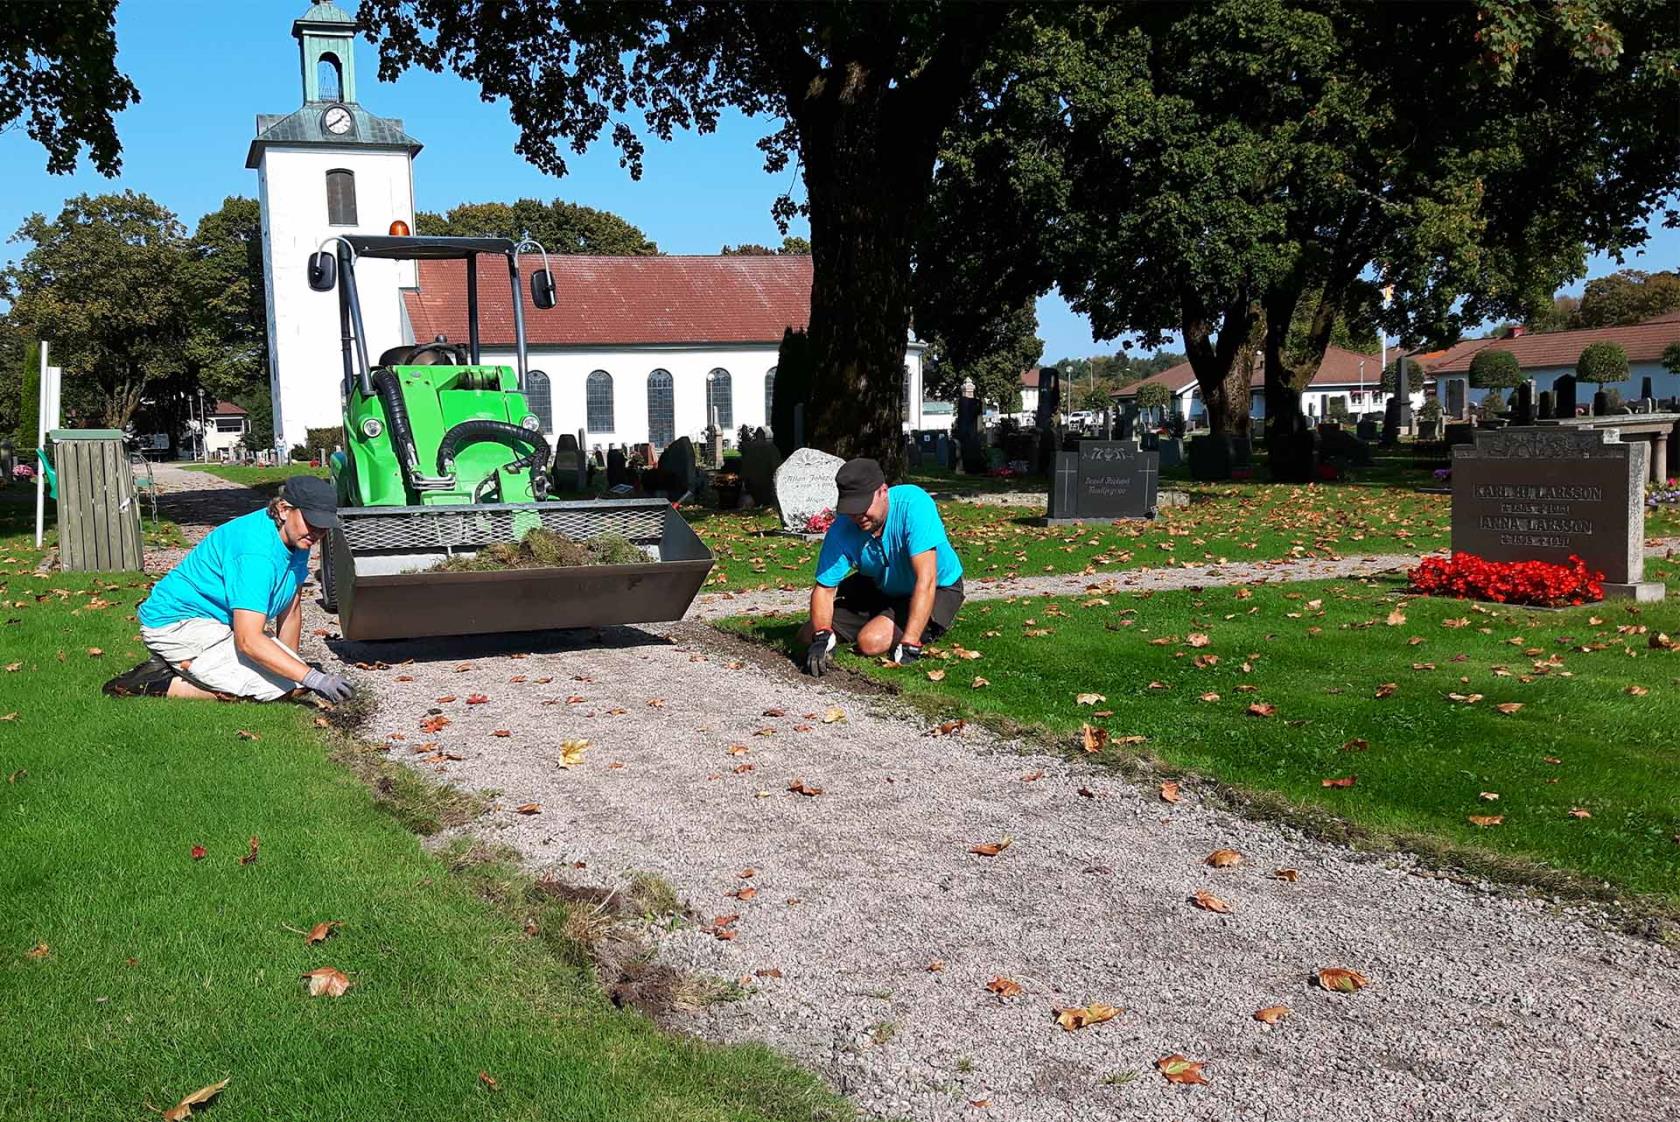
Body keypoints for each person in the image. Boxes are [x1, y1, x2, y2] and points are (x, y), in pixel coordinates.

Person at [103, 476, 353, 703]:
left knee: (295, 681)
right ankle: (153, 683)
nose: (317, 532)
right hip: (178, 624)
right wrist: (310, 679)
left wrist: (294, 667)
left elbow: (292, 608)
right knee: (275, 690)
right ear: (283, 509)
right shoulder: (256, 553)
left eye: (323, 526)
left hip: (221, 625)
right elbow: (248, 640)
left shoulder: (298, 536)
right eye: (312, 522)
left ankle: (188, 668)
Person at [798, 457, 964, 677]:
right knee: (806, 634)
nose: (858, 516)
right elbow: (825, 589)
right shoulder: (843, 527)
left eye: (863, 506)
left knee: (871, 642)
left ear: (883, 491)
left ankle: (923, 625)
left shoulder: (914, 505)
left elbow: (926, 580)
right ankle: (880, 618)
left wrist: (910, 641)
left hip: (937, 587)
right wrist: (821, 636)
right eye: (851, 509)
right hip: (882, 584)